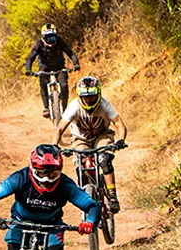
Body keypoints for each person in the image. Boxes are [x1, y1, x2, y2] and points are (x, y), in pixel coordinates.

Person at [51, 76, 128, 213]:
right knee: (80, 166)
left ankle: (112, 196)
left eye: (92, 97)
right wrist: (54, 146)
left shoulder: (105, 105)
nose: (89, 100)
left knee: (105, 160)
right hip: (80, 139)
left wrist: (120, 140)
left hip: (102, 136)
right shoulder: (74, 106)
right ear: (80, 96)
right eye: (85, 97)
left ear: (98, 94)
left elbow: (119, 124)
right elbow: (60, 128)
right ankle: (85, 195)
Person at [24, 23, 80, 118]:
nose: (50, 41)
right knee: (43, 82)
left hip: (59, 67)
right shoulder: (39, 44)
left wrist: (76, 64)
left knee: (64, 85)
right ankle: (46, 108)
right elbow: (30, 58)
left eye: (53, 38)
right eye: (48, 38)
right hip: (44, 68)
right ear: (43, 38)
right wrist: (28, 69)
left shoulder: (60, 41)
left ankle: (65, 107)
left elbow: (70, 53)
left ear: (56, 36)